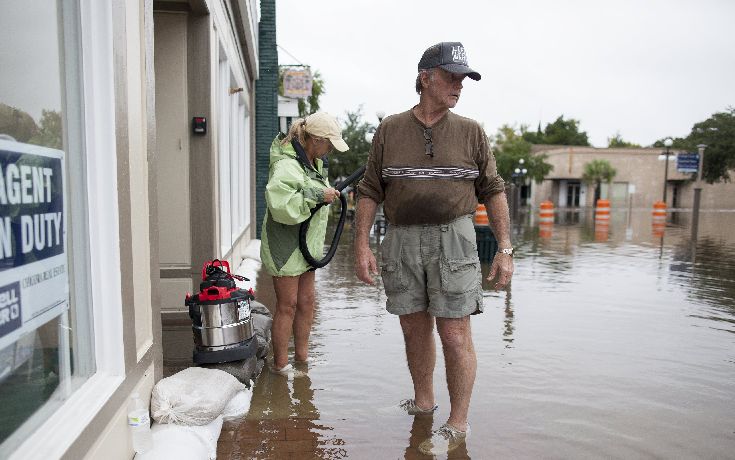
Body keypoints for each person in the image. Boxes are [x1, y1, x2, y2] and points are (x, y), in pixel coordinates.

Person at [354, 42, 514, 455]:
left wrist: (505, 248)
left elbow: (493, 190)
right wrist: (361, 246)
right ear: (425, 77)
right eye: (451, 76)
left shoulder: (471, 131)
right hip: (401, 237)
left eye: (464, 78)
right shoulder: (390, 128)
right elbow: (370, 189)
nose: (459, 85)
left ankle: (457, 424)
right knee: (413, 325)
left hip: (455, 237)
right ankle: (423, 403)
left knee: (454, 331)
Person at [260, 111, 348, 375]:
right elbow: (280, 205)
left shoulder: (312, 163)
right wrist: (316, 194)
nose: (331, 149)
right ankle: (280, 366)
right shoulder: (287, 165)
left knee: (307, 302)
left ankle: (302, 359)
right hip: (286, 246)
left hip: (306, 248)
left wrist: (320, 193)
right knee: (288, 305)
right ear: (316, 139)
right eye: (329, 143)